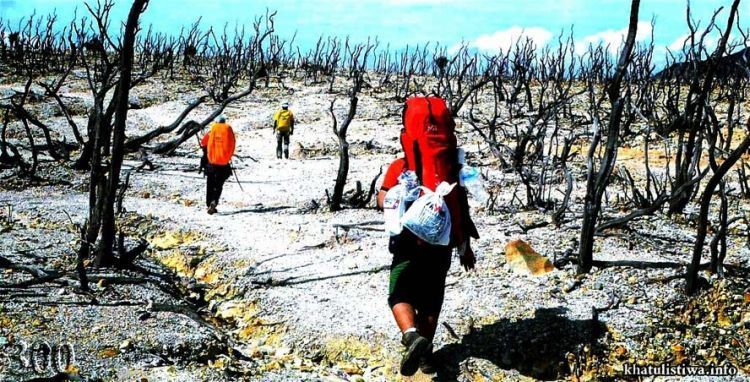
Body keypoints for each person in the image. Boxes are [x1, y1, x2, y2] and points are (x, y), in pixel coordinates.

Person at [377, 156, 478, 376]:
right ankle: (425, 357)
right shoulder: (449, 167)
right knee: (431, 301)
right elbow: (460, 208)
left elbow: (382, 199)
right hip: (441, 245)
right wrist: (464, 247)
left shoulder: (401, 166)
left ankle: (412, 335)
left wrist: (399, 194)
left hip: (407, 244)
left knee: (398, 294)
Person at [200, 115, 236, 214]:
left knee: (210, 183)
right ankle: (214, 201)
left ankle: (209, 203)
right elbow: (232, 144)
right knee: (219, 184)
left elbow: (203, 143)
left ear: (216, 122)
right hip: (223, 163)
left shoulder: (212, 131)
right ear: (224, 122)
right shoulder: (228, 130)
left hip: (211, 163)